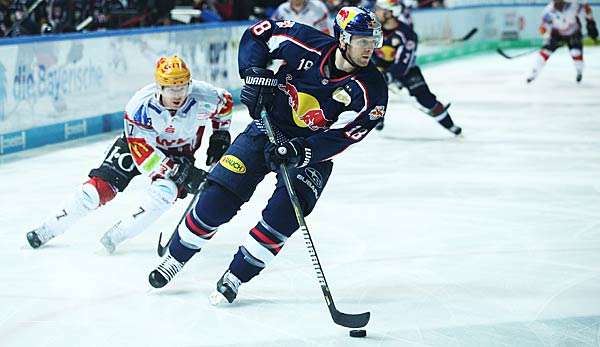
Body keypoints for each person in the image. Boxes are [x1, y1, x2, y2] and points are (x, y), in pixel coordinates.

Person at [148, 7, 388, 305]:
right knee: (217, 199)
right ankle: (176, 258)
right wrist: (254, 75)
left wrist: (303, 151)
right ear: (342, 38)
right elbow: (258, 34)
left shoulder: (372, 89)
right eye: (360, 40)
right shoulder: (304, 41)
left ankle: (235, 277)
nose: (368, 48)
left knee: (283, 216)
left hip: (309, 154)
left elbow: (346, 135)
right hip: (266, 128)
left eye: (372, 40)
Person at [26, 56, 234, 253]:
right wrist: (179, 173)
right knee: (97, 191)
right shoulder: (139, 106)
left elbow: (225, 103)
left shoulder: (204, 95)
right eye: (171, 89)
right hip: (137, 147)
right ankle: (48, 228)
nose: (178, 94)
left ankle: (116, 236)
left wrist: (220, 134)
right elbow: (144, 156)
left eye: (182, 87)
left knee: (165, 194)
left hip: (180, 153)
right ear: (159, 87)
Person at [371, 0, 461, 135]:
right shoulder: (373, 29)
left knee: (426, 99)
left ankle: (450, 125)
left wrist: (389, 76)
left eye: (379, 9)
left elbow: (403, 64)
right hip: (382, 66)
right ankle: (377, 119)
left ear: (391, 13)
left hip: (406, 71)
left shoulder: (406, 34)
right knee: (374, 90)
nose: (375, 12)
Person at [526, 0, 597, 83]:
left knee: (575, 53)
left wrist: (591, 22)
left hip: (574, 33)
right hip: (557, 34)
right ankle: (534, 73)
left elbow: (586, 10)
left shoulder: (573, 5)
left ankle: (579, 71)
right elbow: (543, 28)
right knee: (545, 52)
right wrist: (547, 38)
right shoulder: (548, 11)